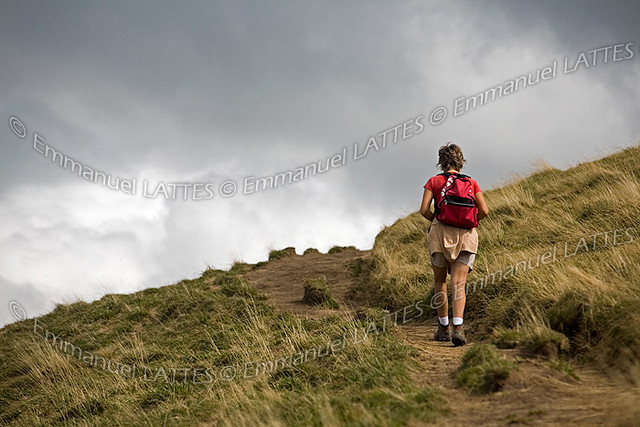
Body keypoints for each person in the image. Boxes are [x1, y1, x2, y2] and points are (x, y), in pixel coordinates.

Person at [419, 143, 489, 346]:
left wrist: (437, 220)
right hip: (466, 235)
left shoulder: (434, 181)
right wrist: (468, 222)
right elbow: (484, 210)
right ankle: (458, 328)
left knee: (440, 281)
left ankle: (444, 328)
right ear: (461, 161)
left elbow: (423, 210)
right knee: (459, 284)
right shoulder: (471, 182)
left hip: (440, 234)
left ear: (441, 162)